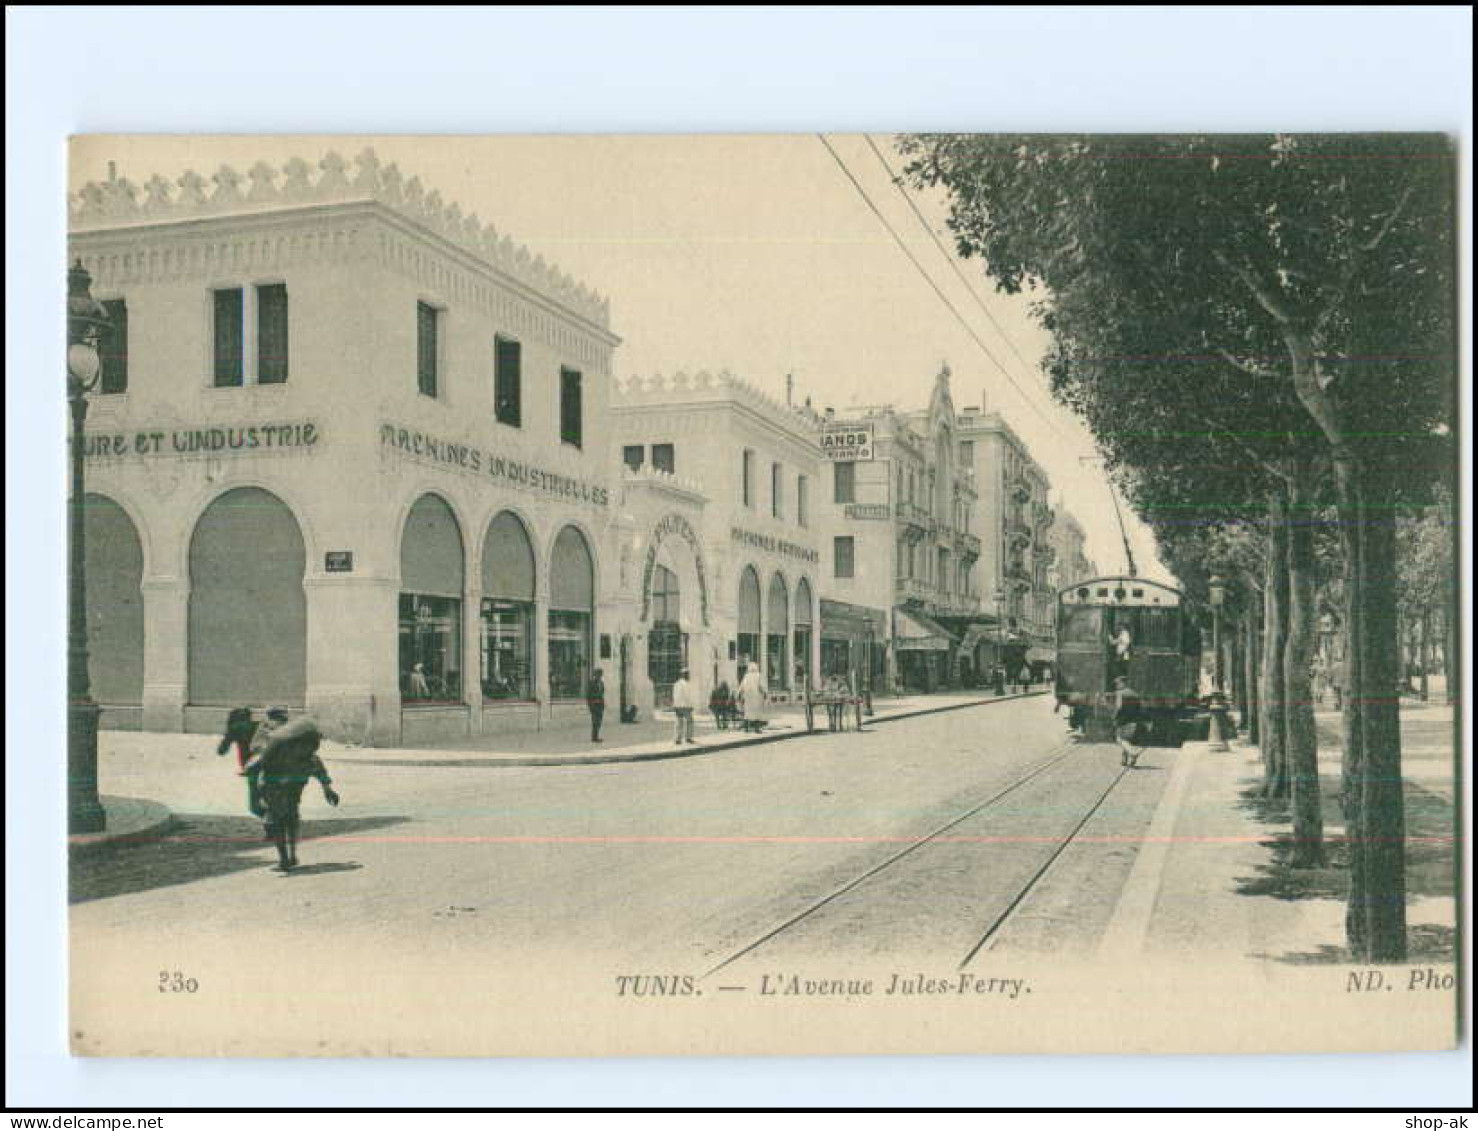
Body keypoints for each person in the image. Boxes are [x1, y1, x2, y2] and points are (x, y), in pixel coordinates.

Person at [244, 711, 339, 872]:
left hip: (276, 784)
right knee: (290, 816)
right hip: (293, 782)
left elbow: (257, 762)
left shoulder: (278, 739)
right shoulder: (293, 740)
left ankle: (284, 859)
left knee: (278, 819)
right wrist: (327, 787)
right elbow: (316, 765)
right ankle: (291, 855)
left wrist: (327, 787)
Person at [1113, 675, 1146, 768]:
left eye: (1117, 683)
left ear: (1122, 683)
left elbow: (1119, 707)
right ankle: (1124, 760)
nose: (1116, 686)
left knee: (1120, 739)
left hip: (1122, 720)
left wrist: (1114, 717)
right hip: (1134, 720)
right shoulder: (1135, 694)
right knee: (1127, 739)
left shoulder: (1120, 693)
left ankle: (1133, 753)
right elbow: (1140, 708)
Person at [216, 706, 258, 774]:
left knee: (243, 744)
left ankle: (247, 766)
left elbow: (222, 750)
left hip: (249, 764)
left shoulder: (234, 728)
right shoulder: (256, 726)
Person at [737, 663, 768, 733]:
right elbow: (761, 686)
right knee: (757, 713)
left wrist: (738, 694)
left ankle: (746, 729)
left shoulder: (746, 676)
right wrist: (765, 693)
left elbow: (742, 686)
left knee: (747, 713)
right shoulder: (758, 675)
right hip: (756, 697)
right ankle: (757, 729)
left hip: (747, 697)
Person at [671, 669, 698, 745]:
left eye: (688, 674)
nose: (688, 676)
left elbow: (675, 696)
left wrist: (675, 706)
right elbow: (683, 696)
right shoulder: (682, 684)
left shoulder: (680, 684)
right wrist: (690, 705)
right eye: (686, 674)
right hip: (683, 706)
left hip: (682, 706)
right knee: (685, 722)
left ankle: (681, 738)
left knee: (682, 722)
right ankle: (684, 738)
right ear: (683, 675)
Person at [586, 667, 606, 742]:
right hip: (594, 704)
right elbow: (588, 695)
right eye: (598, 674)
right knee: (595, 721)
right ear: (595, 675)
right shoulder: (592, 683)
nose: (599, 676)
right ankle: (594, 737)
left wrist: (602, 703)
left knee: (599, 721)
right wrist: (590, 705)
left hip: (600, 705)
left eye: (600, 674)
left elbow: (602, 693)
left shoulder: (601, 683)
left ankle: (596, 736)